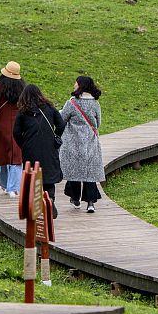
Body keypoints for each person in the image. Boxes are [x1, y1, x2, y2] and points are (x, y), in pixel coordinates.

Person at [13, 83, 64, 216]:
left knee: (33, 176)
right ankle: (50, 199)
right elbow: (61, 124)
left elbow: (16, 132)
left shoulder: (23, 112)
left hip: (30, 149)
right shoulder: (50, 108)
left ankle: (35, 206)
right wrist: (56, 136)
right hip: (49, 148)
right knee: (48, 176)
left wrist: (23, 145)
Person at [60, 77, 105, 213]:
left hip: (73, 143)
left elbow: (62, 119)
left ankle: (75, 198)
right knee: (89, 172)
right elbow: (98, 123)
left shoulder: (72, 103)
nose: (74, 84)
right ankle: (90, 203)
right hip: (90, 142)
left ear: (81, 86)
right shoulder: (95, 103)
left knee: (75, 171)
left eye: (76, 82)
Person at [0, 60, 26, 197]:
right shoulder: (22, 87)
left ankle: (4, 184)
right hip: (19, 123)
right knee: (16, 155)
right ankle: (13, 188)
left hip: (1, 123)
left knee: (3, 153)